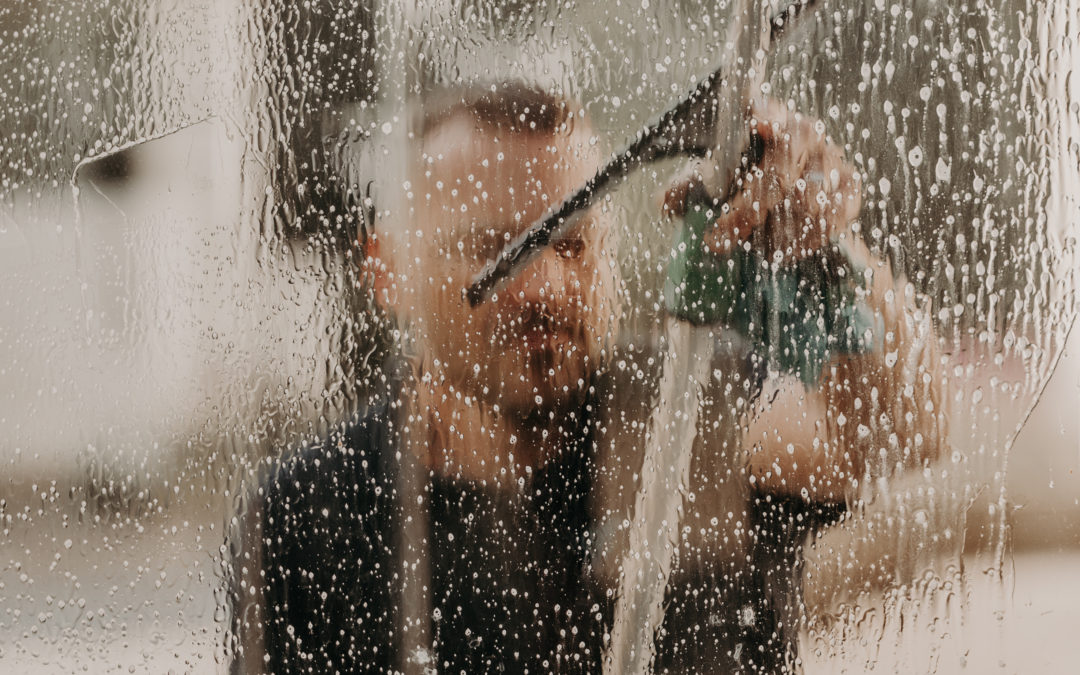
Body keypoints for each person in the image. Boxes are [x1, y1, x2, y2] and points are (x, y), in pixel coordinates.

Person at [234, 82, 946, 674]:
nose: (544, 284)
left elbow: (905, 433)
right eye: (495, 248)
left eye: (572, 244)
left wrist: (827, 246)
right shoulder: (309, 512)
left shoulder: (681, 420)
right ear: (385, 270)